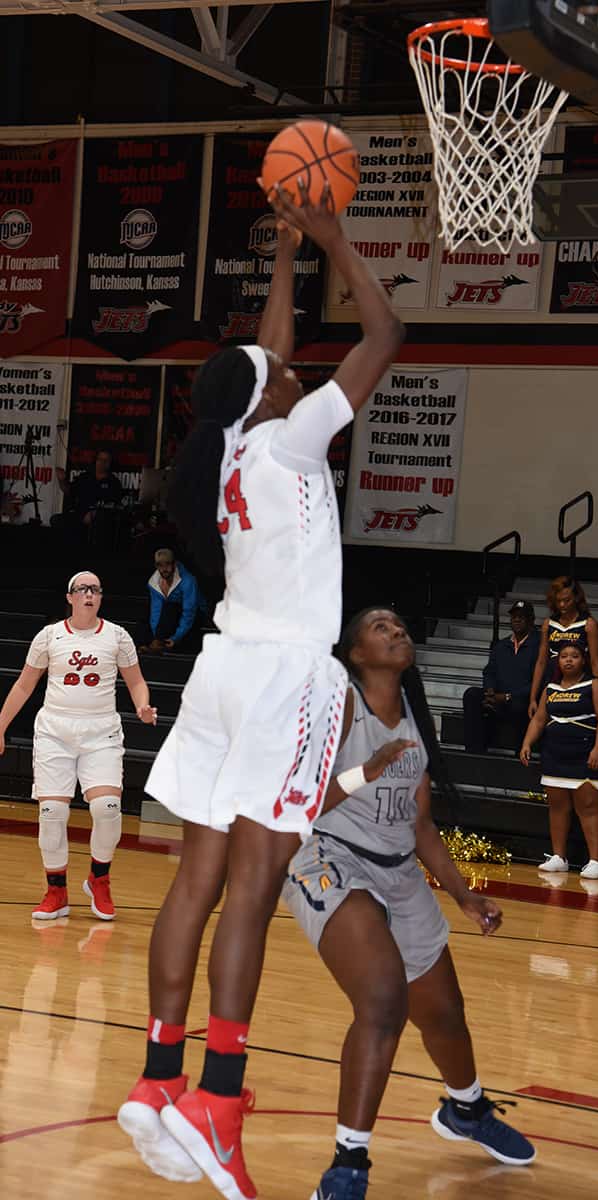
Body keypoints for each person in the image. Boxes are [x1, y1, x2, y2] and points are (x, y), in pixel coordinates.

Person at [117, 182, 405, 1200]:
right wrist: (331, 236)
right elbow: (385, 332)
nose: (297, 366)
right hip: (282, 676)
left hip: (222, 671)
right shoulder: (289, 437)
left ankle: (158, 1079)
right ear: (275, 397)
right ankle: (219, 1102)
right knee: (249, 885)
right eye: (287, 371)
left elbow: (263, 355)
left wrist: (283, 257)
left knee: (193, 880)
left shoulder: (232, 441)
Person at [282, 607, 535, 1200]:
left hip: (398, 872)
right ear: (355, 654)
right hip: (329, 856)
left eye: (401, 624)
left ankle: (467, 1110)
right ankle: (348, 1163)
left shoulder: (415, 720)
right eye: (380, 627)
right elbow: (297, 796)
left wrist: (465, 896)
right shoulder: (341, 705)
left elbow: (420, 826)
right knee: (383, 998)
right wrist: (362, 772)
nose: (397, 631)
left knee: (445, 1013)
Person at [0, 570, 157, 920]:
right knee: (52, 813)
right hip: (55, 730)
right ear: (70, 597)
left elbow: (136, 682)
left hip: (101, 731)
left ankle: (99, 879)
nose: (90, 594)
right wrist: (0, 726)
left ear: (100, 598)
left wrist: (143, 706)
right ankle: (56, 891)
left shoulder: (117, 636)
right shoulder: (49, 636)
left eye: (96, 589)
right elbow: (25, 686)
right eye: (82, 589)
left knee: (107, 809)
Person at [520, 641, 598, 879]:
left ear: (583, 660)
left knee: (588, 808)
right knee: (557, 807)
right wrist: (527, 743)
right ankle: (559, 857)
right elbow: (539, 719)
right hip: (555, 753)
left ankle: (596, 862)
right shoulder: (550, 688)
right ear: (558, 661)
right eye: (564, 656)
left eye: (574, 656)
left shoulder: (595, 685)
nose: (569, 660)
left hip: (585, 754)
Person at [463, 601, 539, 754]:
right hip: (498, 698)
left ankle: (520, 756)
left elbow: (539, 682)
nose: (517, 620)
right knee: (471, 694)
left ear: (531, 620)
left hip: (520, 701)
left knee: (520, 705)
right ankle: (474, 752)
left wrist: (508, 696)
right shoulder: (501, 645)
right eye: (514, 617)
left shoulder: (538, 645)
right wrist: (490, 690)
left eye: (521, 617)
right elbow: (489, 671)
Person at [528, 576, 598, 718]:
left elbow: (595, 661)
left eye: (567, 600)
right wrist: (532, 697)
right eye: (558, 601)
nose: (562, 605)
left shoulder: (588, 624)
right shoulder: (548, 624)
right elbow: (541, 662)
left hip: (577, 679)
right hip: (552, 678)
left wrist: (597, 691)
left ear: (576, 598)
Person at [136, 548, 206, 654]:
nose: (164, 569)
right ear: (156, 566)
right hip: (172, 616)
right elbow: (156, 611)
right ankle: (154, 644)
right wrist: (157, 636)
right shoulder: (154, 582)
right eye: (160, 565)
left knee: (171, 608)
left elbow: (189, 612)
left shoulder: (188, 581)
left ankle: (160, 645)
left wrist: (175, 638)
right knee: (147, 613)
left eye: (167, 564)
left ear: (174, 564)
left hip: (197, 613)